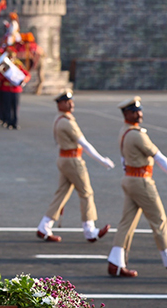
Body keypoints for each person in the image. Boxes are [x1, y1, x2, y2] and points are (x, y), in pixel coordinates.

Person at [37, 89, 113, 242]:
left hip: (64, 159)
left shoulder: (60, 119)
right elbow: (84, 144)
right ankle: (90, 230)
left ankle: (44, 226)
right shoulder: (66, 122)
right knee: (86, 193)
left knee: (62, 194)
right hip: (72, 160)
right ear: (60, 104)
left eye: (71, 101)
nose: (71, 104)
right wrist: (101, 160)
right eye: (67, 102)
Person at [107, 96, 167, 277]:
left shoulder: (124, 132)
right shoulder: (137, 135)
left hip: (130, 179)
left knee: (127, 222)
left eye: (139, 110)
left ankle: (116, 262)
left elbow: (123, 160)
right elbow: (159, 158)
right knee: (159, 221)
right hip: (141, 181)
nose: (139, 114)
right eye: (135, 112)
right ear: (127, 114)